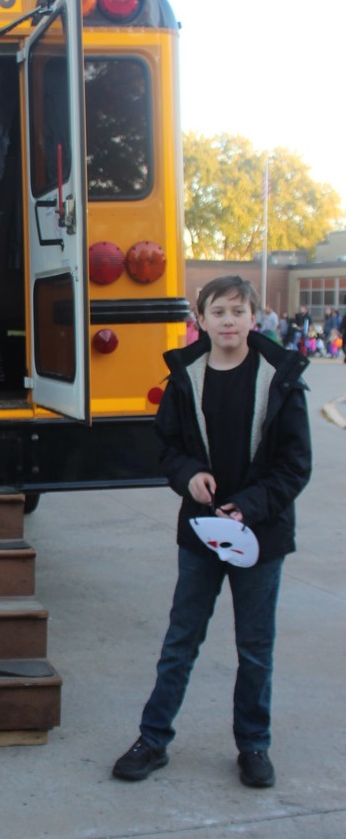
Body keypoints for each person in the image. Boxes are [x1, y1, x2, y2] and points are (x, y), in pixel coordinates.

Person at [112, 276, 311, 789]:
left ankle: (254, 745)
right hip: (201, 534)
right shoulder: (186, 377)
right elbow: (167, 446)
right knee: (181, 640)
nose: (228, 321)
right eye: (218, 312)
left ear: (253, 318)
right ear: (199, 319)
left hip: (260, 537)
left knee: (255, 648)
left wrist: (249, 505)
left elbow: (295, 464)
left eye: (237, 312)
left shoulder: (281, 378)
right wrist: (189, 476)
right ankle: (153, 739)